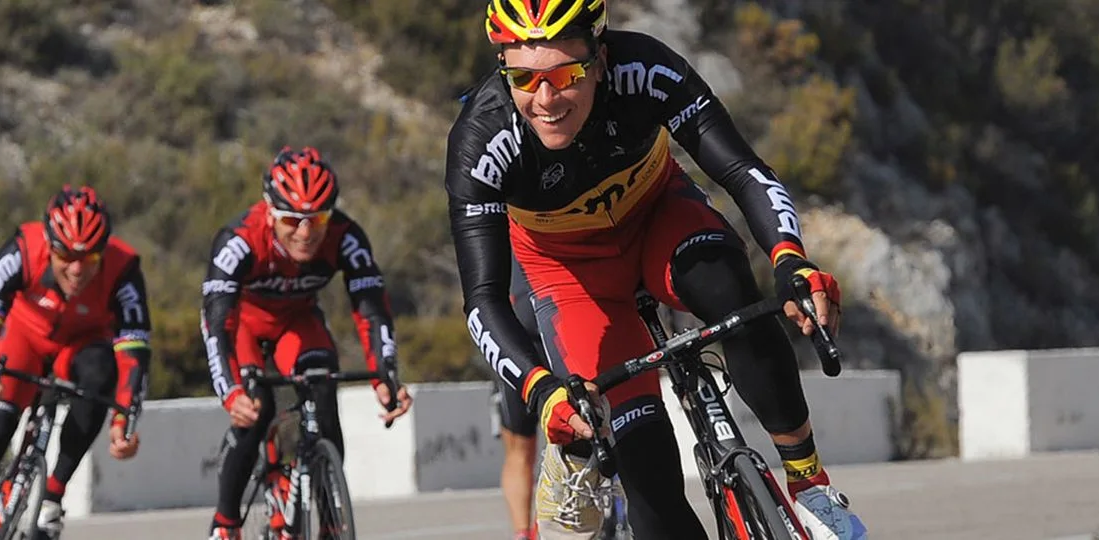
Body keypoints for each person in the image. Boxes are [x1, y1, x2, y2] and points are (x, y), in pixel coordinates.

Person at [444, 1, 868, 539]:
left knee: (729, 288)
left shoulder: (644, 70)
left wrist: (791, 259)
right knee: (649, 481)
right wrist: (542, 389)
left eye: (565, 75)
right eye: (524, 77)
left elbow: (742, 170)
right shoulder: (480, 140)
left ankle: (809, 485)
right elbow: (482, 298)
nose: (545, 99)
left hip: (659, 220)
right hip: (573, 279)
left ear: (598, 60)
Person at [201, 145, 415, 540]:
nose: (305, 232)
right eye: (291, 220)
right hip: (243, 326)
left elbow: (372, 311)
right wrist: (230, 391)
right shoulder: (239, 241)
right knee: (253, 410)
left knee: (322, 385)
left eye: (317, 219)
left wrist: (385, 376)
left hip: (297, 324)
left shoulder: (346, 237)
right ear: (269, 210)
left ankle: (330, 519)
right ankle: (226, 522)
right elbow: (217, 323)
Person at [0, 185, 151, 540]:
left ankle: (52, 496)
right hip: (24, 338)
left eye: (89, 259)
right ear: (49, 245)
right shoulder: (23, 249)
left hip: (83, 345)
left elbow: (135, 354)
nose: (76, 269)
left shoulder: (123, 269)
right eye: (64, 256)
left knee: (100, 377)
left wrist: (124, 421)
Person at [491, 258, 544, 540]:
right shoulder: (498, 221)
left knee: (575, 441)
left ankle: (550, 525)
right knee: (520, 448)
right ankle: (524, 533)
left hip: (559, 333)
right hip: (515, 345)